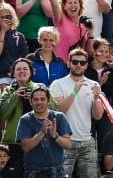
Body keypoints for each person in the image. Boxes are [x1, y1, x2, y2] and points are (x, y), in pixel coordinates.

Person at [49, 49, 104, 178]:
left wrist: (97, 98)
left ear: (86, 65)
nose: (78, 65)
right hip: (65, 140)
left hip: (87, 141)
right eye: (75, 62)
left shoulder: (93, 84)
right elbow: (59, 110)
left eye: (82, 62)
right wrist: (74, 92)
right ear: (68, 63)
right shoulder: (57, 84)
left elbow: (98, 116)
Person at [16, 85, 72, 178]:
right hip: (34, 172)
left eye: (42, 99)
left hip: (58, 171)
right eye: (36, 99)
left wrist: (55, 136)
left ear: (48, 101)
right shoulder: (25, 120)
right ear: (30, 102)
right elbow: (26, 147)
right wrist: (42, 132)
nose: (39, 102)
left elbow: (68, 145)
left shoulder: (59, 117)